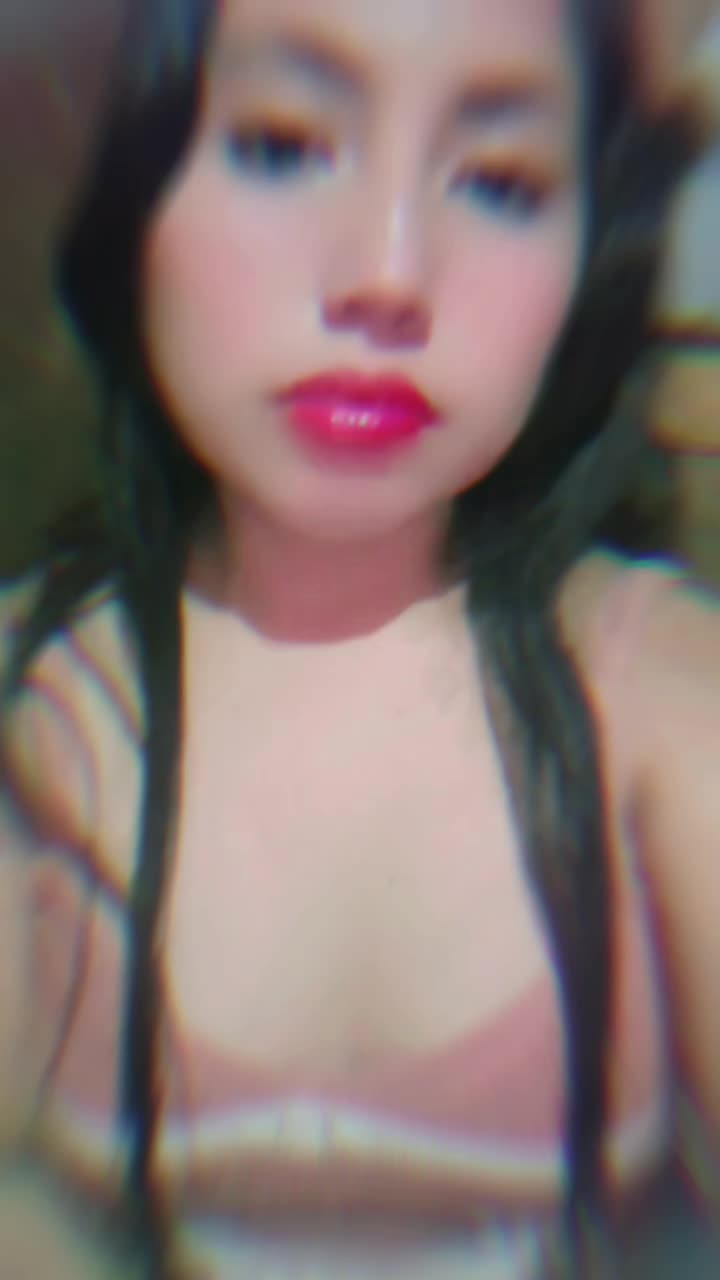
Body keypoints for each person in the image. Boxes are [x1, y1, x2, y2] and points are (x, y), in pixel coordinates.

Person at [0, 0, 718, 1276]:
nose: (387, 273)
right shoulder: (34, 706)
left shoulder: (664, 701)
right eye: (281, 146)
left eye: (499, 182)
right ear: (125, 184)